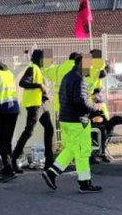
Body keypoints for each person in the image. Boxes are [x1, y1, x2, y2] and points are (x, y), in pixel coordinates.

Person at [42, 54, 103, 193]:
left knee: (70, 149)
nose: (90, 68)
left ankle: (51, 173)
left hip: (65, 119)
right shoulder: (80, 79)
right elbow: (80, 101)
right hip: (77, 121)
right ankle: (84, 183)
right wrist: (95, 108)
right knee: (82, 152)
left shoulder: (67, 76)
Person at [13, 49, 54, 172]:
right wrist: (39, 86)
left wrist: (45, 96)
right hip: (33, 105)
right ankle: (13, 159)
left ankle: (49, 161)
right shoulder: (32, 68)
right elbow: (23, 83)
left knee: (49, 128)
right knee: (29, 131)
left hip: (38, 104)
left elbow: (36, 90)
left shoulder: (37, 69)